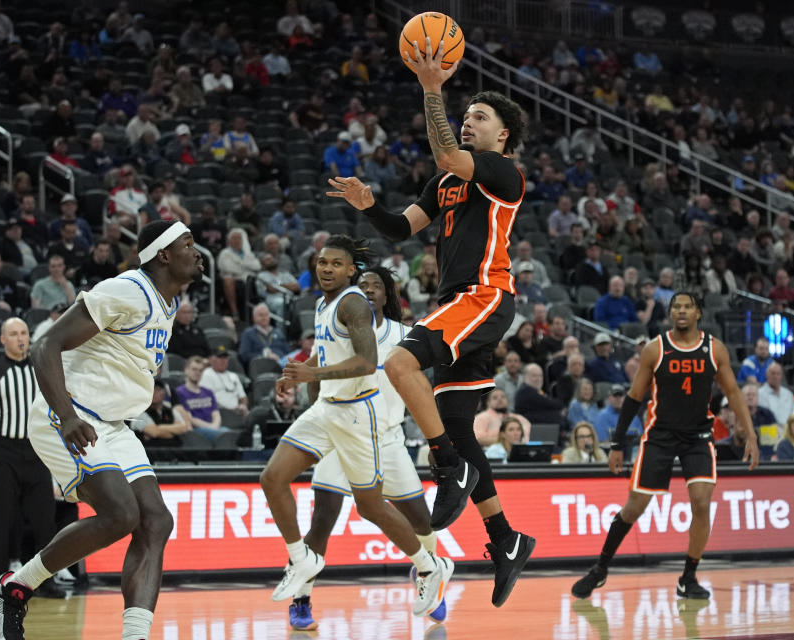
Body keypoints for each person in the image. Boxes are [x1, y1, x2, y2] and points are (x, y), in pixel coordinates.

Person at [326, 46, 536, 605]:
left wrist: (431, 86)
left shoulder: (502, 174)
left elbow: (446, 151)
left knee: (397, 362)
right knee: (460, 426)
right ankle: (506, 538)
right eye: (466, 115)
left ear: (503, 138)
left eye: (480, 117)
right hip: (457, 303)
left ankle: (447, 467)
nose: (468, 121)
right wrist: (369, 206)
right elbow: (400, 229)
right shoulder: (445, 184)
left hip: (483, 296)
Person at [0, 220, 205, 640]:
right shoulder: (126, 290)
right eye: (188, 244)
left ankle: (135, 635)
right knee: (121, 513)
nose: (198, 253)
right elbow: (45, 346)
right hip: (70, 414)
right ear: (163, 254)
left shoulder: (167, 303)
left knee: (155, 521)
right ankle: (11, 589)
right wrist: (67, 417)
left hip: (114, 424)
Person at [258, 236, 453, 618]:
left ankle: (431, 567)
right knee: (274, 479)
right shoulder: (323, 304)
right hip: (327, 410)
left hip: (367, 424)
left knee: (373, 507)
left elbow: (366, 363)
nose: (327, 268)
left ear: (354, 272)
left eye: (336, 264)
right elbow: (328, 349)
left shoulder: (362, 310)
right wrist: (300, 374)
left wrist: (437, 437)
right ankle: (302, 563)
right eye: (322, 262)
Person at [571, 292, 759, 602]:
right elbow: (634, 397)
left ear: (698, 312)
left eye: (687, 306)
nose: (681, 311)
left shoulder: (715, 350)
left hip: (698, 435)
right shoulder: (656, 349)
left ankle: (688, 577)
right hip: (659, 434)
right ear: (671, 313)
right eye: (676, 307)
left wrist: (750, 435)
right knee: (635, 506)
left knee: (701, 503)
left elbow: (735, 392)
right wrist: (617, 443)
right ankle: (600, 568)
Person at [0, 318, 65, 595]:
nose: (20, 338)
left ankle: (46, 579)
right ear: (3, 339)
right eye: (13, 333)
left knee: (44, 520)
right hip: (4, 452)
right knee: (2, 518)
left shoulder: (40, 370)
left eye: (24, 332)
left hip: (36, 452)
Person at [175, 356, 227, 441]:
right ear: (186, 370)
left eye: (200, 370)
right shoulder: (180, 392)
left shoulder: (208, 392)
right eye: (194, 369)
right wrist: (210, 427)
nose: (197, 372)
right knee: (224, 435)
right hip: (195, 431)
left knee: (228, 434)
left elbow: (216, 414)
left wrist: (214, 426)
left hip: (214, 428)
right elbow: (189, 418)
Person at [130, 380, 191, 447]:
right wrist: (174, 432)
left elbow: (183, 428)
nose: (154, 392)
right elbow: (154, 432)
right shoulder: (140, 411)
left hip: (174, 452)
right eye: (151, 389)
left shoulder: (170, 410)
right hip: (150, 453)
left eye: (158, 389)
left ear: (164, 393)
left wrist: (160, 428)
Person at [200, 345, 249, 415]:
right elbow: (207, 399)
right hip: (218, 412)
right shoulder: (206, 374)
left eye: (225, 358)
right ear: (211, 360)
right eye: (219, 357)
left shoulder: (233, 376)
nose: (223, 360)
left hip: (236, 412)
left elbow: (243, 397)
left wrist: (243, 405)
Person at [757, 362, 794, 426]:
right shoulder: (759, 394)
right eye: (773, 373)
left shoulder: (788, 394)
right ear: (766, 375)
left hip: (788, 430)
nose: (775, 376)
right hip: (770, 430)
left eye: (778, 374)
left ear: (781, 376)